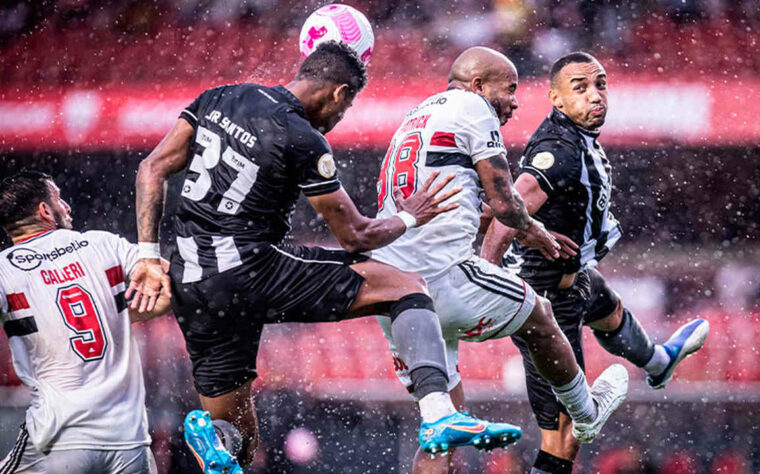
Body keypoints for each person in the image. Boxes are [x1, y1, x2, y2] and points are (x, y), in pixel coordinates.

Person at [130, 42, 523, 474]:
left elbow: (152, 167)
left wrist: (149, 255)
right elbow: (356, 237)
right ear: (339, 93)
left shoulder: (221, 96)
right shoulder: (303, 138)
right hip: (253, 266)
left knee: (238, 438)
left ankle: (218, 439)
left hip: (192, 278)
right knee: (408, 286)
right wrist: (409, 218)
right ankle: (439, 413)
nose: (340, 120)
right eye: (346, 106)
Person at [373, 46, 630, 473]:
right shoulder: (474, 109)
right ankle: (586, 413)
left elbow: (462, 203)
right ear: (478, 86)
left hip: (397, 295)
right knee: (541, 314)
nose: (515, 101)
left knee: (442, 432)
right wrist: (536, 231)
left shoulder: (418, 115)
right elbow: (505, 199)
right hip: (442, 277)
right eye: (509, 89)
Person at [481, 52, 710, 474]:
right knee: (564, 438)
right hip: (546, 305)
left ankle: (658, 363)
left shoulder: (578, 138)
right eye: (581, 88)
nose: (596, 95)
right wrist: (484, 276)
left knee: (612, 312)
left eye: (600, 84)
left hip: (576, 279)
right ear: (557, 99)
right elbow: (511, 207)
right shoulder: (560, 151)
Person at [0, 171, 168, 474]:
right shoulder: (102, 244)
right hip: (129, 441)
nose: (67, 207)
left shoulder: (4, 270)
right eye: (59, 199)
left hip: (58, 441)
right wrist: (114, 317)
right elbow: (165, 287)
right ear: (44, 210)